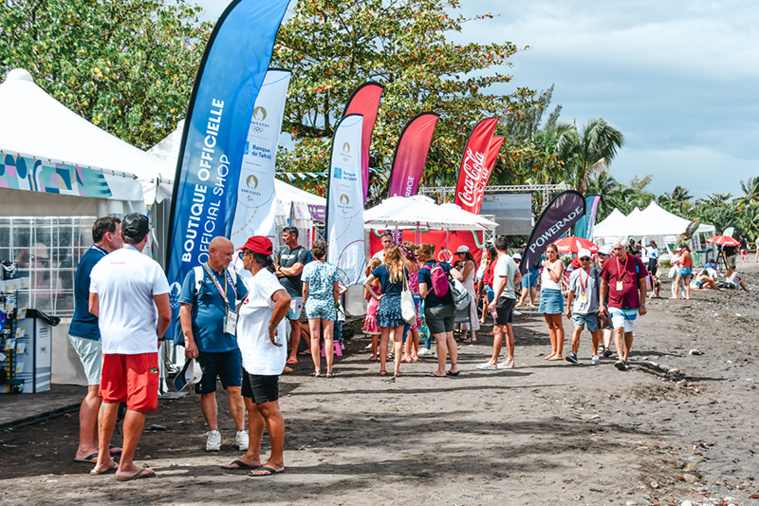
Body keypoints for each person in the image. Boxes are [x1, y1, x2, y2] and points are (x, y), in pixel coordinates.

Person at [88, 213, 171, 479]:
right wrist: (157, 335)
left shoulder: (101, 264)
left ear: (122, 235)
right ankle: (125, 464)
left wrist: (113, 323)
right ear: (146, 237)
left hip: (112, 343)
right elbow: (166, 314)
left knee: (110, 399)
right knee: (137, 403)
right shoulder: (150, 266)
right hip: (141, 344)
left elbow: (92, 306)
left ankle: (102, 459)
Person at [222, 236, 290, 476]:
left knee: (267, 407)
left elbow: (284, 299)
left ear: (251, 256)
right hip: (253, 355)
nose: (240, 259)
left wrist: (272, 326)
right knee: (252, 404)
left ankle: (277, 460)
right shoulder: (257, 279)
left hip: (264, 356)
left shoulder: (263, 279)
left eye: (242, 255)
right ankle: (252, 455)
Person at [179, 237, 249, 452]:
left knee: (236, 389)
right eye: (227, 254)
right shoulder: (196, 275)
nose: (230, 258)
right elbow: (185, 309)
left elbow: (248, 302)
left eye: (232, 254)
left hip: (230, 346)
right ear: (213, 252)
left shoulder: (233, 277)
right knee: (207, 391)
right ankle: (213, 433)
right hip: (204, 347)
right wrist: (189, 340)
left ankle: (241, 432)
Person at [69, 217, 123, 464]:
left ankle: (99, 443)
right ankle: (85, 448)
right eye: (120, 232)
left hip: (91, 331)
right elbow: (96, 304)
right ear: (108, 236)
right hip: (91, 333)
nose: (123, 237)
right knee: (96, 391)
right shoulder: (97, 260)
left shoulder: (95, 258)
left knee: (101, 390)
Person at [598, 240, 648, 372]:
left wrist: (642, 303)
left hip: (632, 304)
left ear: (626, 248)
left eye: (619, 249)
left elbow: (643, 283)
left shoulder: (636, 261)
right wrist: (601, 304)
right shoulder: (609, 263)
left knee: (628, 332)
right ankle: (620, 358)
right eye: (615, 249)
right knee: (618, 328)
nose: (617, 252)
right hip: (614, 303)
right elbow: (603, 284)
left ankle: (626, 356)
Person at [417, 243, 463, 377]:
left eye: (417, 255)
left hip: (433, 307)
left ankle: (441, 370)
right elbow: (459, 276)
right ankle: (454, 367)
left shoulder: (423, 270)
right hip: (450, 305)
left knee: (440, 339)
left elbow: (423, 293)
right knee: (450, 337)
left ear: (423, 255)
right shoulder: (443, 264)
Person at [477, 235, 521, 370]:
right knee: (508, 328)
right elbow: (519, 276)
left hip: (502, 298)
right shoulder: (511, 260)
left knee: (497, 330)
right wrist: (510, 284)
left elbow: (502, 280)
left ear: (496, 248)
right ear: (507, 247)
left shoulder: (502, 261)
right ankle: (509, 359)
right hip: (509, 297)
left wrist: (495, 299)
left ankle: (493, 361)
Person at [363, 246, 408, 377]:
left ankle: (383, 368)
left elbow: (366, 283)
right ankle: (396, 369)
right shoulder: (402, 269)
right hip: (399, 303)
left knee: (384, 339)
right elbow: (406, 288)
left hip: (385, 302)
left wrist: (376, 296)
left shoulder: (381, 269)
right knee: (398, 339)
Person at [301, 239, 339, 378]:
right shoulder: (332, 267)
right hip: (328, 301)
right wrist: (335, 303)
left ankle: (317, 369)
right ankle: (329, 369)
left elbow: (305, 289)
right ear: (326, 251)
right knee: (328, 337)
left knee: (315, 337)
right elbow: (336, 289)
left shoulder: (308, 267)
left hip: (312, 301)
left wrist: (306, 303)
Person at [274, 226, 309, 367]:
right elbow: (275, 270)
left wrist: (282, 270)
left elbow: (296, 271)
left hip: (295, 294)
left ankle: (293, 354)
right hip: (280, 294)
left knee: (295, 323)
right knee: (278, 323)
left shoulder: (303, 252)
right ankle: (280, 352)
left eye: (285, 235)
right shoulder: (281, 251)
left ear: (293, 236)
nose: (283, 238)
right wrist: (284, 270)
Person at [565, 249, 602, 365]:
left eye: (587, 259)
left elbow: (602, 290)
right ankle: (574, 354)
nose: (585, 261)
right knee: (577, 329)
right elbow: (571, 291)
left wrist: (601, 305)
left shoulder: (596, 273)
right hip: (578, 309)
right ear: (578, 260)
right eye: (582, 259)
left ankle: (595, 354)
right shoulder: (574, 274)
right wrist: (568, 307)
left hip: (592, 308)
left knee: (594, 332)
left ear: (590, 260)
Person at [540, 244, 565, 361]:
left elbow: (556, 279)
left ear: (556, 252)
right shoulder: (546, 264)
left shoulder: (557, 263)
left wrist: (548, 267)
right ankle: (554, 350)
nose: (549, 254)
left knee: (557, 324)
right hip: (545, 292)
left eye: (552, 252)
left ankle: (559, 352)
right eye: (548, 252)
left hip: (553, 293)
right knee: (550, 325)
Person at [454, 245, 479, 343]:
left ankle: (473, 336)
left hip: (468, 290)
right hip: (466, 290)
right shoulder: (467, 263)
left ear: (464, 253)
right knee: (465, 312)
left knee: (470, 312)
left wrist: (454, 276)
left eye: (460, 254)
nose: (459, 257)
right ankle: (464, 334)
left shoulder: (469, 263)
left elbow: (463, 277)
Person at [594, 245, 615, 358]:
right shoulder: (594, 268)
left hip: (610, 298)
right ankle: (601, 344)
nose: (600, 256)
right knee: (598, 324)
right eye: (599, 254)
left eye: (603, 254)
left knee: (609, 323)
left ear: (608, 256)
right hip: (595, 299)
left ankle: (607, 347)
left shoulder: (612, 267)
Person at [361, 258, 383, 361]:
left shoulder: (370, 281)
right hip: (382, 304)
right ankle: (384, 353)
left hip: (373, 305)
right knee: (384, 332)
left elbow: (366, 296)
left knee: (374, 334)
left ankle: (374, 354)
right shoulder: (383, 279)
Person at [478, 247, 497, 324]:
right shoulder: (491, 263)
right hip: (488, 287)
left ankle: (496, 322)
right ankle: (494, 321)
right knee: (487, 303)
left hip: (490, 287)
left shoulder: (493, 263)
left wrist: (487, 283)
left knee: (492, 307)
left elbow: (492, 276)